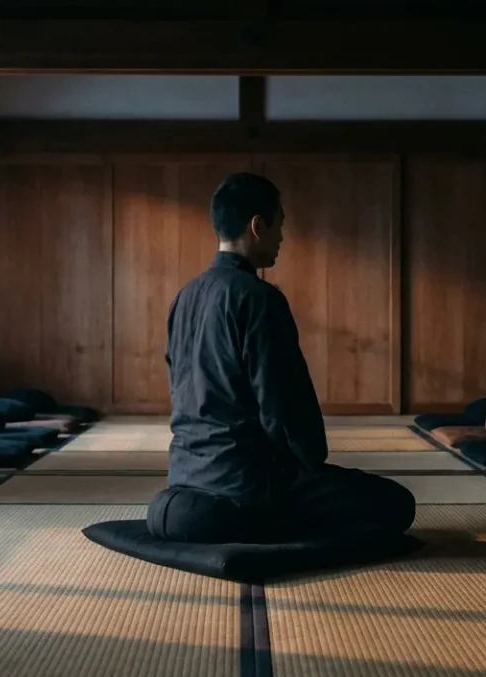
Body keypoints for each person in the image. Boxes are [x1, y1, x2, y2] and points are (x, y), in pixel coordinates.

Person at [147, 172, 416, 544]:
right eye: (280, 226)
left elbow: (181, 389)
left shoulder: (184, 297)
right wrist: (311, 463)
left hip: (184, 477)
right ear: (257, 225)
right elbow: (284, 406)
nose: (282, 239)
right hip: (246, 488)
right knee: (396, 503)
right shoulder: (258, 298)